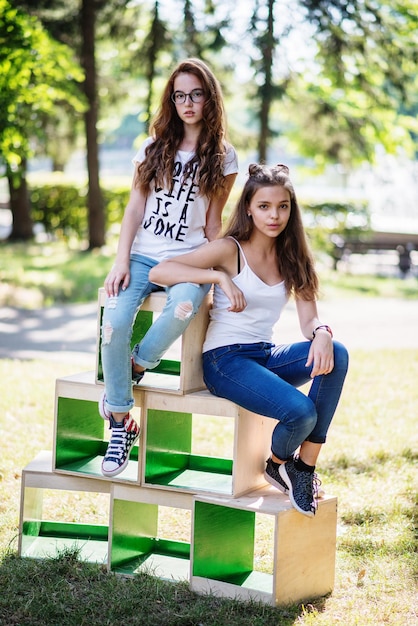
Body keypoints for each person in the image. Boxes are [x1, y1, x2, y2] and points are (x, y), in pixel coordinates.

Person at [150, 163, 349, 517]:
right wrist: (218, 278)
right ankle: (279, 464)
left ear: (291, 208)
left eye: (283, 206)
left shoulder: (294, 257)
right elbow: (161, 270)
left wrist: (322, 333)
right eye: (264, 206)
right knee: (300, 413)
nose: (274, 215)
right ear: (248, 208)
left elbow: (309, 319)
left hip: (265, 354)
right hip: (224, 362)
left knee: (337, 353)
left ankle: (300, 467)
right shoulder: (230, 250)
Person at [99, 58, 238, 478]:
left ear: (209, 97)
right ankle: (121, 423)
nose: (188, 103)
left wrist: (222, 272)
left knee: (180, 310)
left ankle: (137, 365)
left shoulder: (224, 158)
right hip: (142, 255)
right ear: (171, 100)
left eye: (196, 93)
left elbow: (214, 222)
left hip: (189, 259)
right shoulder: (152, 146)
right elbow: (134, 208)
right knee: (114, 323)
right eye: (180, 95)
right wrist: (120, 258)